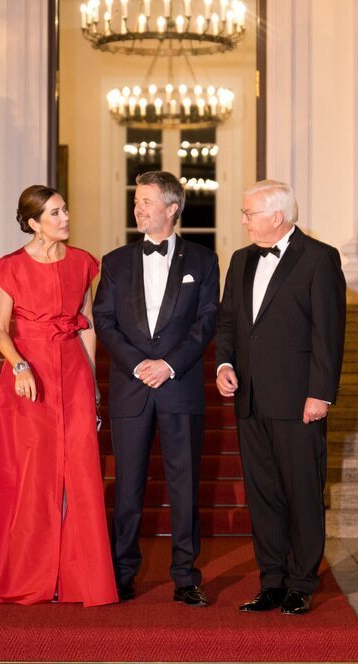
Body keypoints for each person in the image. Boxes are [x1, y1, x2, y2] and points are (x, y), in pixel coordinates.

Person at [0, 185, 117, 607]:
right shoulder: (10, 268)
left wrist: (93, 381)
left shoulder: (83, 262)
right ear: (33, 223)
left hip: (73, 371)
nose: (65, 218)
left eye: (65, 209)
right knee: (34, 472)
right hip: (29, 375)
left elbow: (86, 323)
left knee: (80, 470)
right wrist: (18, 365)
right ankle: (30, 573)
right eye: (54, 213)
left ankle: (77, 577)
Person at [215, 180, 346, 615]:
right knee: (263, 494)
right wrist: (224, 364)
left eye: (249, 213)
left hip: (298, 401)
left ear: (277, 216)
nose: (243, 220)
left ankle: (301, 583)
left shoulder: (319, 258)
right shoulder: (240, 259)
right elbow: (229, 322)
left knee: (301, 493)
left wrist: (320, 394)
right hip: (250, 399)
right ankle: (271, 580)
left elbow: (328, 333)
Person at [93, 171, 219, 607]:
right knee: (127, 486)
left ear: (171, 208)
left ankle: (186, 576)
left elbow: (206, 324)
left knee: (184, 486)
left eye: (147, 201)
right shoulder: (114, 261)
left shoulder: (204, 260)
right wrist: (138, 365)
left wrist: (168, 365)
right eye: (136, 200)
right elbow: (103, 321)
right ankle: (123, 572)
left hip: (179, 387)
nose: (138, 208)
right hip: (131, 388)